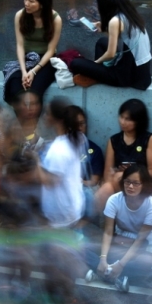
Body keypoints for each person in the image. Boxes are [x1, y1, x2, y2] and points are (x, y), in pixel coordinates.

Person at [68, 0, 152, 90]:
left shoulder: (115, 21)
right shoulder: (129, 13)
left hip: (128, 77)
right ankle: (99, 74)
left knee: (75, 63)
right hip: (142, 72)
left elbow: (111, 54)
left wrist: (94, 64)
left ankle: (97, 75)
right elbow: (122, 34)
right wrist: (103, 27)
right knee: (102, 42)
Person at [89, 164, 152, 291]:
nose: (130, 186)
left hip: (141, 247)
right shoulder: (114, 200)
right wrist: (103, 259)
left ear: (144, 184)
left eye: (136, 183)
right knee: (87, 247)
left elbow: (140, 239)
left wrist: (121, 264)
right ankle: (116, 275)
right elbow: (108, 232)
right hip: (118, 242)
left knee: (146, 262)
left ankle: (105, 273)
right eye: (127, 182)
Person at [94, 98, 152, 214]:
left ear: (138, 121)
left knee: (117, 178)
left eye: (128, 119)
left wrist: (130, 172)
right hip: (117, 182)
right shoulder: (114, 140)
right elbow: (107, 174)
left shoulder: (148, 139)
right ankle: (96, 223)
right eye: (121, 117)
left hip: (142, 183)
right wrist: (116, 176)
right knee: (106, 188)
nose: (123, 122)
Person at [3, 0, 62, 103]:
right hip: (27, 58)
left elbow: (51, 50)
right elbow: (19, 45)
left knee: (34, 94)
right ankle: (23, 122)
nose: (26, 3)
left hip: (46, 60)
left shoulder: (55, 19)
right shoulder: (20, 15)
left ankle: (32, 121)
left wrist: (34, 71)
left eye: (31, 1)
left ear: (42, 4)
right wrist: (24, 71)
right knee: (16, 91)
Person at [37, 97, 86, 228]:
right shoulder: (76, 138)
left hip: (61, 213)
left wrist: (35, 160)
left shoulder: (58, 149)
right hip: (72, 205)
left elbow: (50, 181)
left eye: (47, 113)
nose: (44, 117)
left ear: (56, 119)